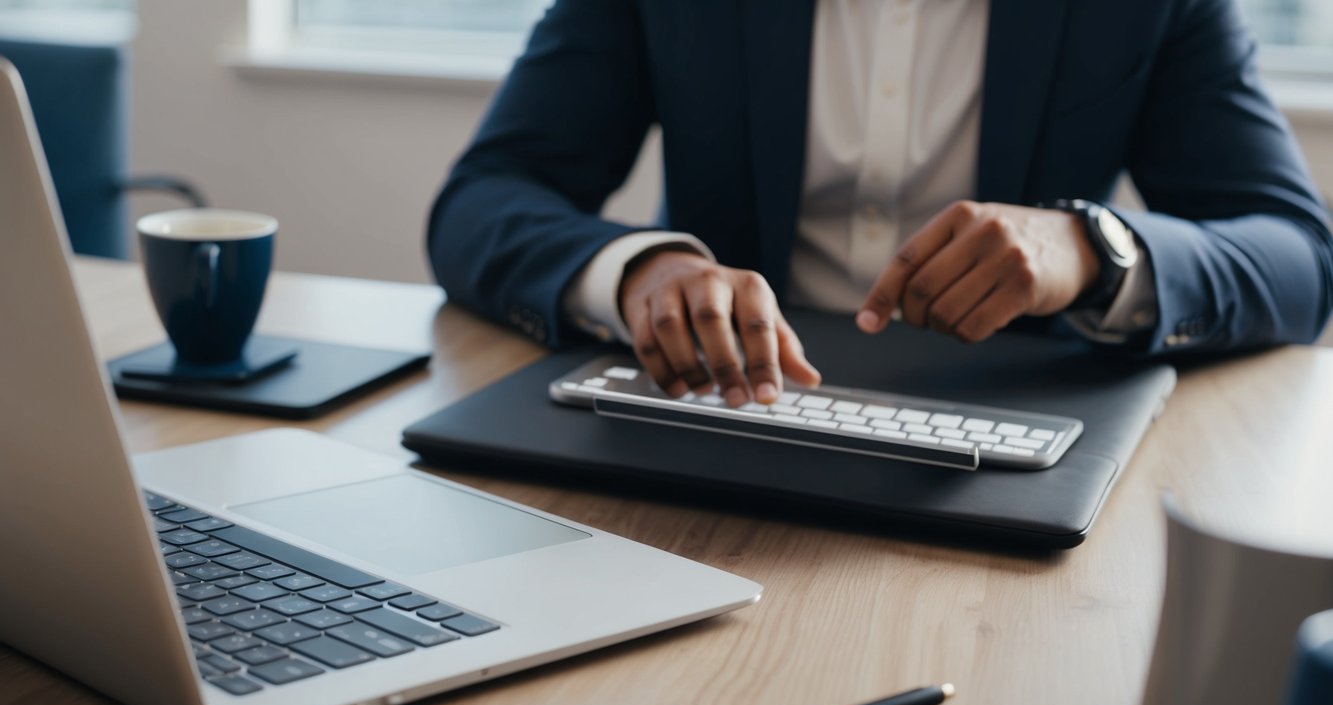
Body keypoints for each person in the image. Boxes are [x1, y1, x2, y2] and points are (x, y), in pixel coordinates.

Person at [427, 0, 1333, 407]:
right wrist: (641, 274)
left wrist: (1092, 249)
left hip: (1018, 427)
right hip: (717, 412)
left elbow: (1296, 256)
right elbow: (483, 200)